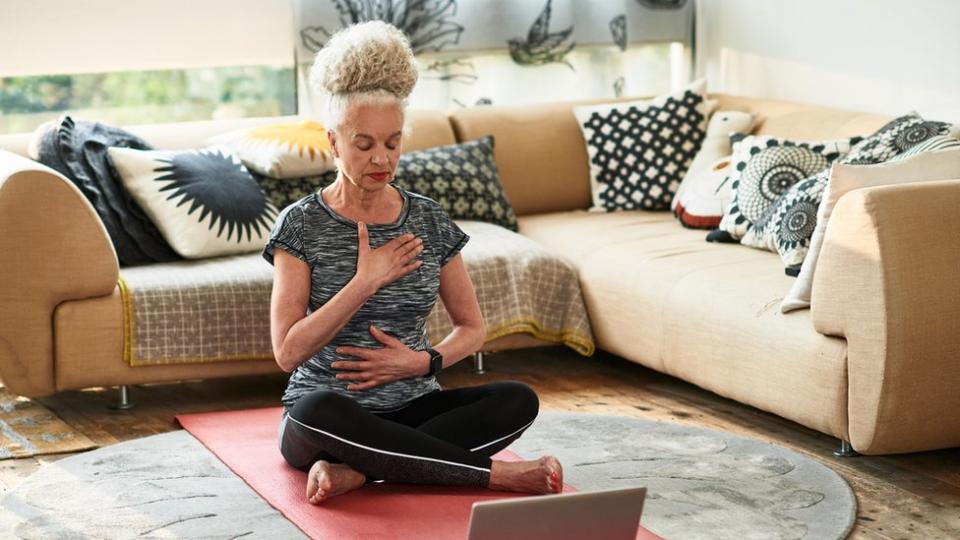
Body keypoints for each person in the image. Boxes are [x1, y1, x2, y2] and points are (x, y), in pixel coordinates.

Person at [263, 20, 563, 505]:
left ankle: (360, 472)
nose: (381, 159)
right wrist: (364, 281)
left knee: (517, 399)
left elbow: (472, 328)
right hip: (328, 417)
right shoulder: (300, 226)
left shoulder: (427, 219)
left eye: (393, 142)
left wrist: (421, 362)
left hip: (414, 407)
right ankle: (494, 477)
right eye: (364, 145)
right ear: (334, 142)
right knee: (316, 410)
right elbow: (287, 352)